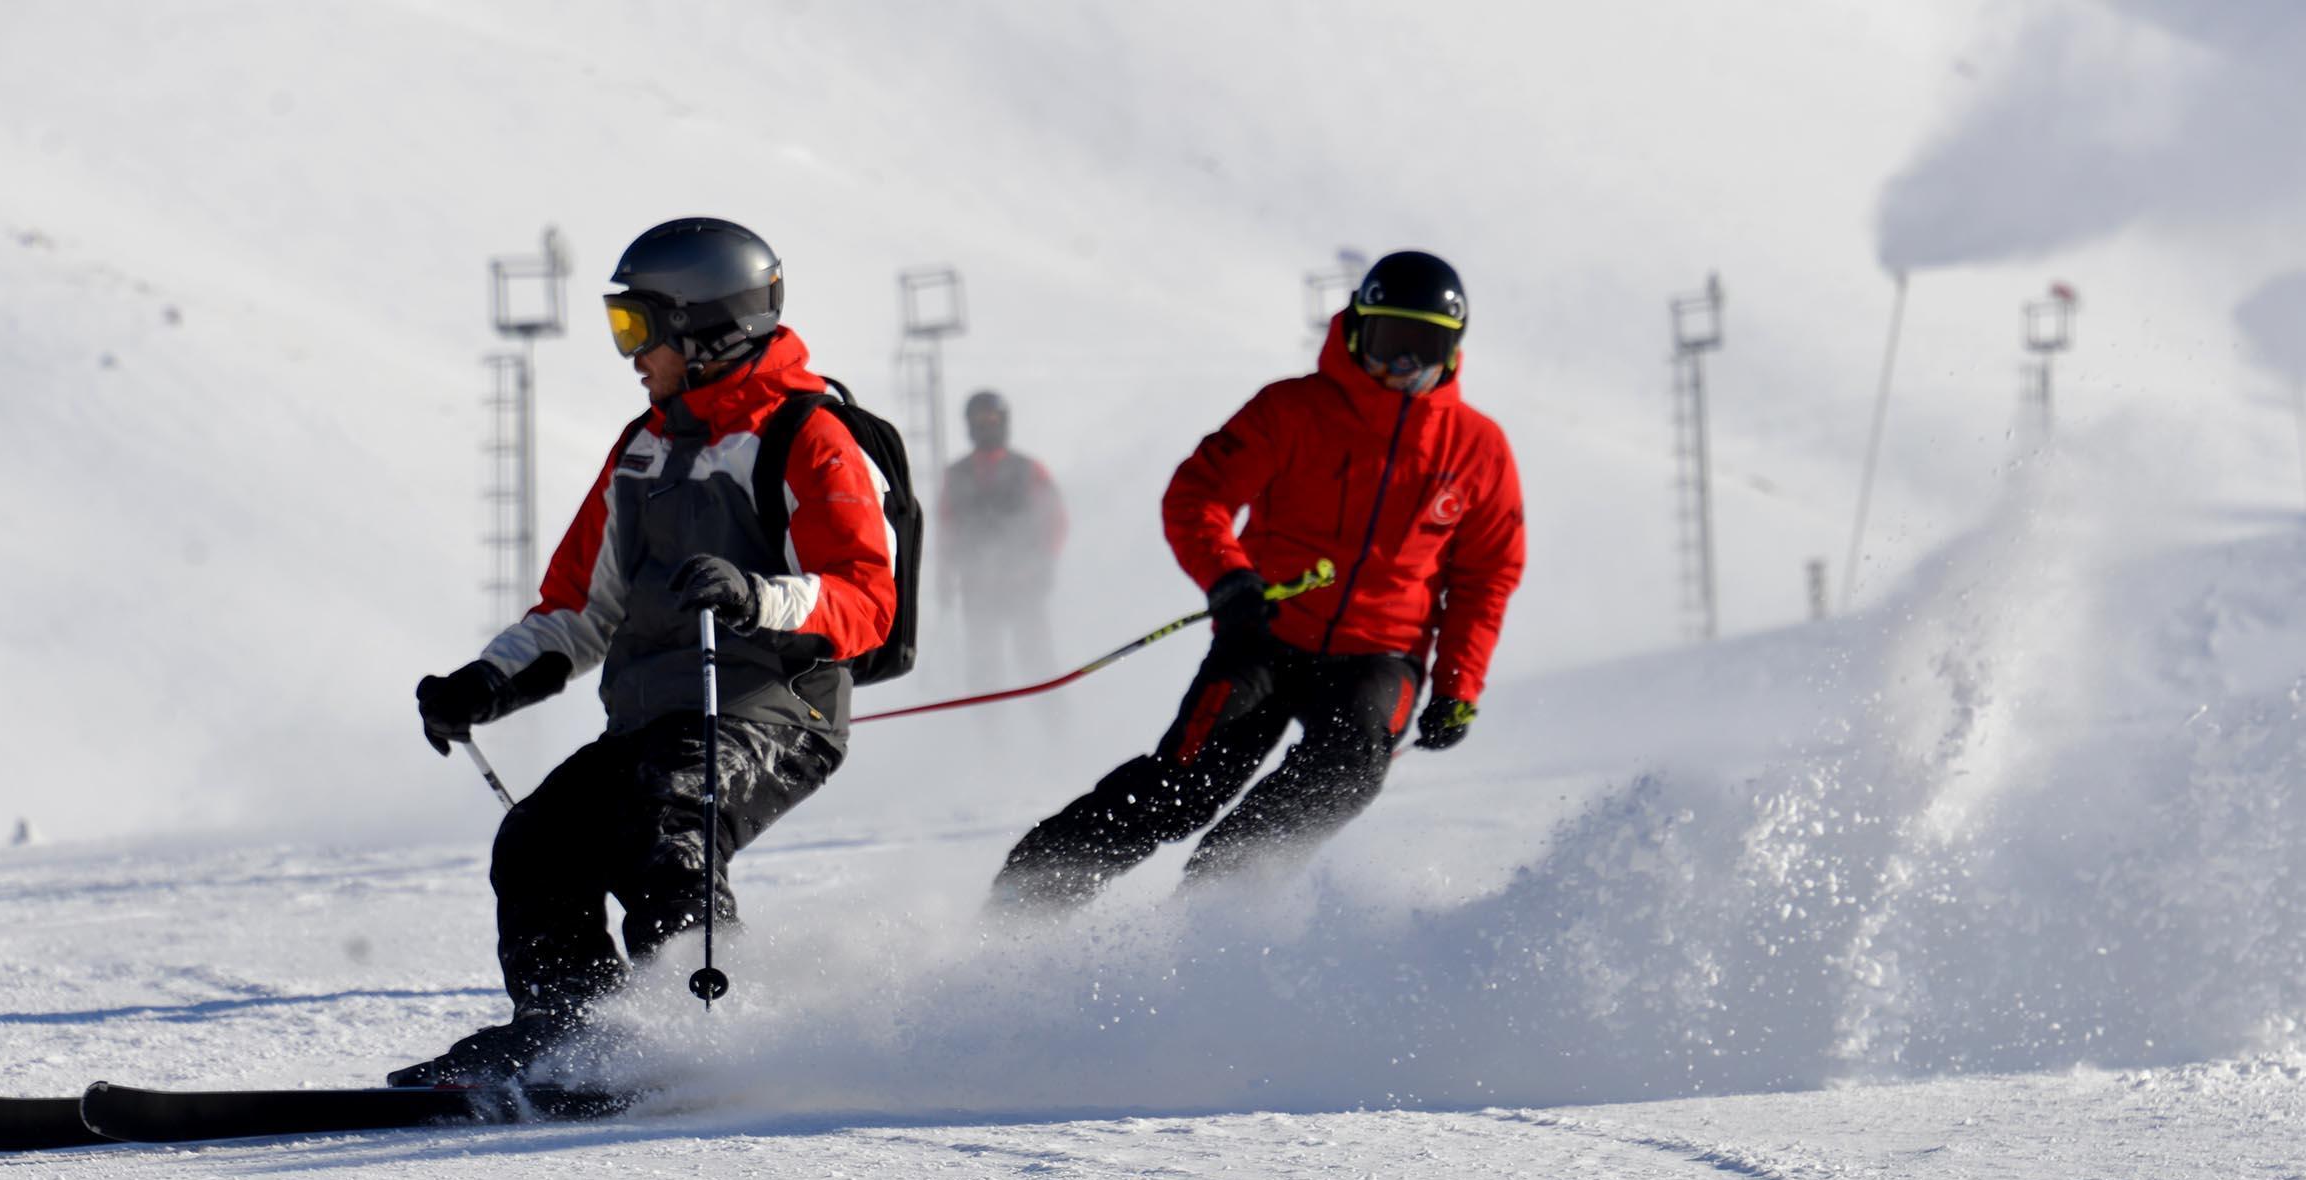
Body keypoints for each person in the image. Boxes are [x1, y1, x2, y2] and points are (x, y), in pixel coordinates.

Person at [397, 217, 897, 1085]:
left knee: (669, 819)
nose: (631, 352)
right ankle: (574, 1032)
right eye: (620, 326)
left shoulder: (807, 438)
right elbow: (579, 608)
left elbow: (866, 597)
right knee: (538, 838)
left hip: (775, 710)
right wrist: (484, 683)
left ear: (709, 329)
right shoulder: (645, 447)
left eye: (640, 328)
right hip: (655, 716)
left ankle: (701, 1036)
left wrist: (754, 596)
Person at [989, 250, 1523, 907]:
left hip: (1379, 655)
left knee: (1346, 772)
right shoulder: (1294, 410)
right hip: (1266, 631)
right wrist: (1229, 578)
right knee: (1187, 787)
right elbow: (1197, 495)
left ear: (1454, 351)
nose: (1401, 369)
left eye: (1424, 348)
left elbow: (1486, 574)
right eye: (1388, 344)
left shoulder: (1477, 449)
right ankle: (1025, 900)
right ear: (1356, 334)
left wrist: (1458, 684)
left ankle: (1210, 919)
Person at [937, 390, 1067, 691]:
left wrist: (1045, 561)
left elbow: (1055, 520)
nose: (986, 427)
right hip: (978, 587)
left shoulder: (1029, 470)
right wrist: (945, 579)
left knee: (1037, 663)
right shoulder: (956, 476)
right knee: (984, 669)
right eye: (979, 421)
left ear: (1004, 422)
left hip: (1024, 582)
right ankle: (989, 732)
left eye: (992, 420)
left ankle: (1055, 727)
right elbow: (946, 530)